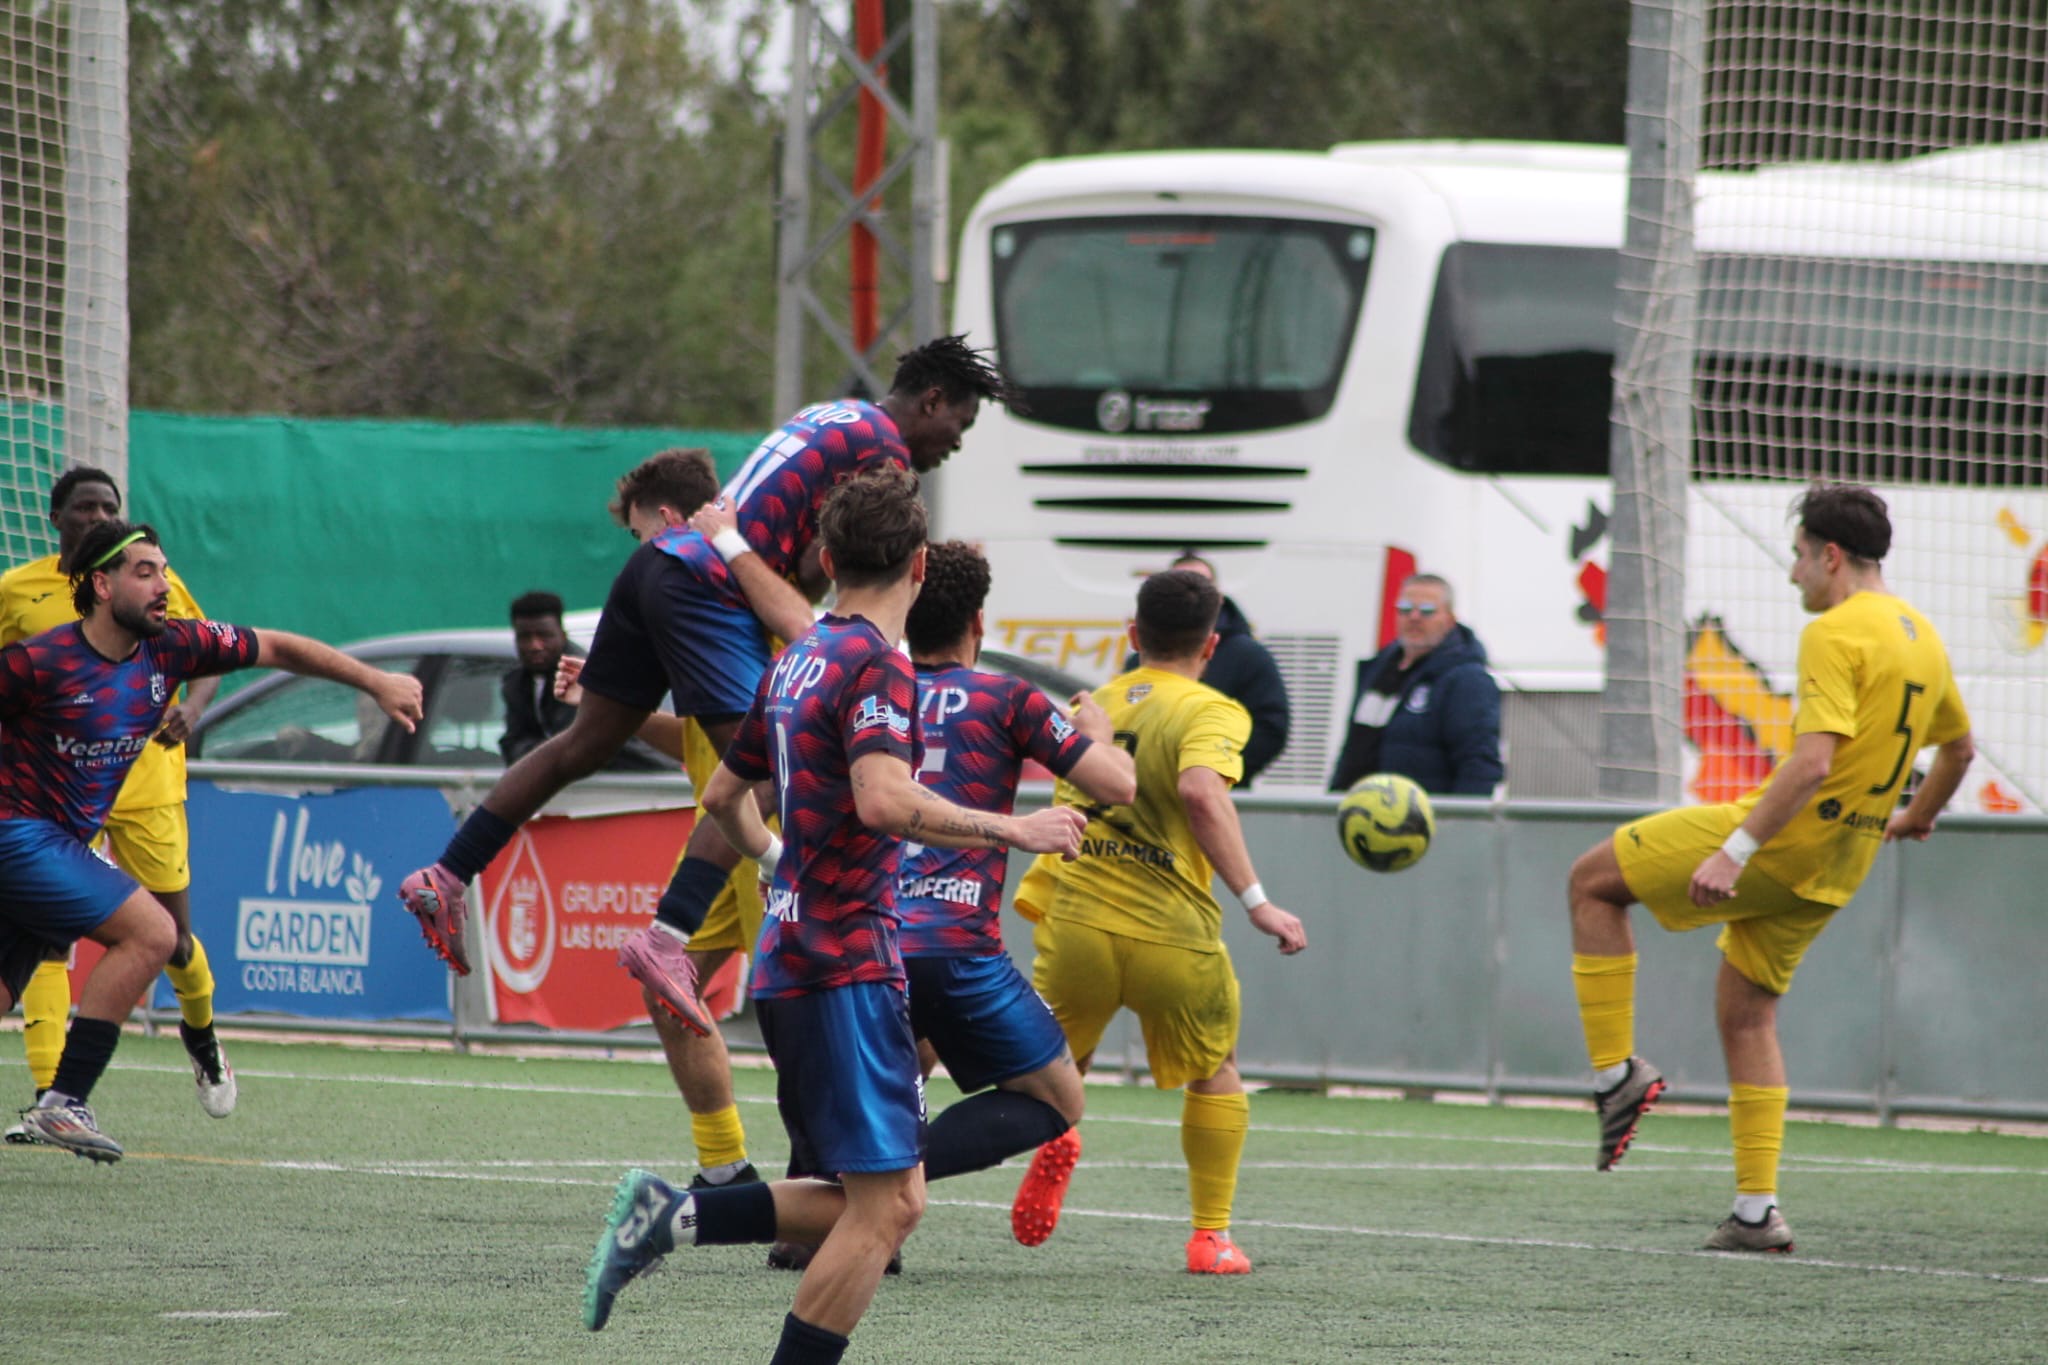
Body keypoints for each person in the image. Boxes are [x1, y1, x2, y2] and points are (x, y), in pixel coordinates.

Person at [582, 468, 1087, 1362]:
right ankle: (676, 1220)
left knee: (886, 1200)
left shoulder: (799, 656)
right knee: (884, 1211)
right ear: (919, 566)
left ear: (823, 558)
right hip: (844, 963)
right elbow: (884, 800)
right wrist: (1015, 827)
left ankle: (673, 1215)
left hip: (800, 953)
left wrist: (780, 864)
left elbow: (724, 795)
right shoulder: (876, 663)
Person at [394, 335, 1009, 1025]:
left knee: (583, 744)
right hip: (709, 587)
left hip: (660, 562)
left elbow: (793, 546)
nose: (955, 443)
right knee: (771, 772)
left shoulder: (831, 413)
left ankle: (447, 873)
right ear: (931, 401)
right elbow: (819, 566)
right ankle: (668, 937)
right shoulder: (887, 455)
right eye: (960, 424)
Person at [1566, 483, 1973, 1253]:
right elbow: (1960, 750)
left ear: (1831, 555)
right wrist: (1917, 816)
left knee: (1591, 882)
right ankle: (1756, 1212)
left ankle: (1614, 1074)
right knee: (1748, 1012)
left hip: (1785, 843)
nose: (1793, 574)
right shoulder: (1923, 636)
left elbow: (1812, 762)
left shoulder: (1836, 630)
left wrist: (1735, 850)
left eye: (1798, 556)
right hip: (1842, 866)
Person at [0, 520, 422, 1160]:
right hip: (18, 836)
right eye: (145, 572)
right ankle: (63, 1103)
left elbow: (277, 646)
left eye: (164, 570)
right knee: (154, 934)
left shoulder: (172, 648)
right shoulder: (40, 662)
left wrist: (376, 681)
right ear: (102, 585)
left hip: (52, 846)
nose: (163, 584)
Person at [1009, 568, 1309, 1274]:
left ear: (1133, 635)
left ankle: (1059, 1138)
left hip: (1079, 921)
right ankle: (1211, 1238)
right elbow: (1201, 791)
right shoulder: (1212, 709)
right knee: (1216, 1069)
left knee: (1059, 1068)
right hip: (1169, 929)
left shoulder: (1093, 707)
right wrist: (1257, 900)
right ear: (1211, 645)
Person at [0, 467, 235, 1141]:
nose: (98, 516)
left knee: (172, 938)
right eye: (84, 507)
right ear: (56, 519)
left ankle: (202, 1035)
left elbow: (210, 652)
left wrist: (192, 708)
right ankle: (51, 1091)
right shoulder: (18, 590)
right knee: (50, 941)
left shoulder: (151, 582)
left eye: (108, 506)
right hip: (52, 794)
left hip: (145, 779)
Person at [1122, 551, 1290, 785]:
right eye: (1179, 586)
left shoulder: (1248, 656)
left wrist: (1217, 771)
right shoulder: (1134, 665)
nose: (1189, 595)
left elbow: (1270, 728)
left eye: (1200, 585)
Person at [1327, 572, 1502, 796]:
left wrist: (1461, 816)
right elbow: (1354, 748)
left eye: (1427, 610)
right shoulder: (1379, 670)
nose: (1414, 617)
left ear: (1449, 619)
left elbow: (1479, 764)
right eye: (1405, 609)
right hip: (1363, 809)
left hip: (1424, 813)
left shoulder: (1466, 679)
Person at [498, 589, 665, 771]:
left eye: (544, 635)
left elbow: (569, 745)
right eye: (525, 637)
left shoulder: (582, 674)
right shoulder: (516, 683)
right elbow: (513, 744)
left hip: (639, 777)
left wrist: (529, 752)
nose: (535, 646)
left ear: (562, 634)